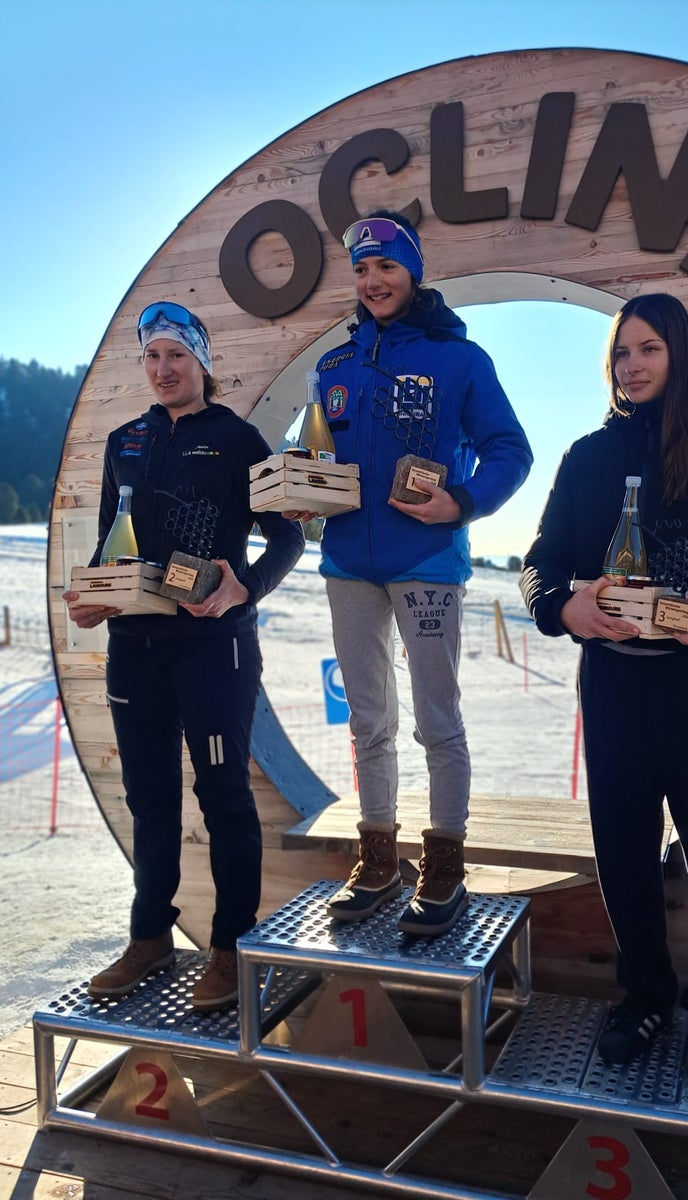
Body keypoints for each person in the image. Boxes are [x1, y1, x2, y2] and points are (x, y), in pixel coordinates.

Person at [520, 293, 688, 1088]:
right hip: (614, 687)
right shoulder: (587, 456)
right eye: (620, 353)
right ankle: (643, 997)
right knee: (624, 859)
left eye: (648, 349)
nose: (631, 366)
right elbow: (541, 560)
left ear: (680, 352)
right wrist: (560, 606)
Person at [288, 210, 532, 936]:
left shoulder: (461, 360)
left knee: (437, 720)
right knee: (368, 720)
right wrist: (301, 490)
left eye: (387, 266)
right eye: (361, 270)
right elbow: (314, 459)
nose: (373, 281)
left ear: (414, 272)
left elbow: (510, 450)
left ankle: (445, 865)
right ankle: (377, 861)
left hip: (426, 561)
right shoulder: (333, 367)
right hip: (346, 565)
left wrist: (463, 502)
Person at [63, 301, 305, 1011]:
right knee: (148, 797)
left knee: (223, 795)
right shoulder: (125, 441)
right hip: (135, 649)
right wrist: (97, 595)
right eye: (152, 356)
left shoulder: (238, 440)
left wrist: (244, 586)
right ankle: (149, 937)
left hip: (213, 648)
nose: (163, 369)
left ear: (202, 362)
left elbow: (287, 537)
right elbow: (112, 541)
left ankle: (231, 947)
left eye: (176, 355)